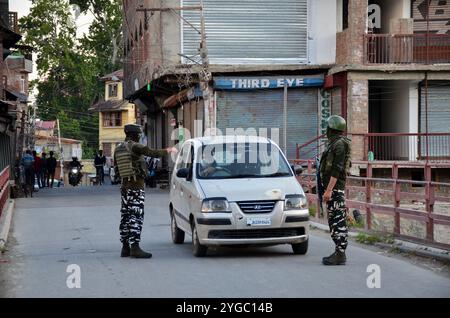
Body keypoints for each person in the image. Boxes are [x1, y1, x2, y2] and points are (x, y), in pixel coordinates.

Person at [114, 124, 177, 258]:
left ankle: (125, 247)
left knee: (125, 216)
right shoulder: (135, 146)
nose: (139, 136)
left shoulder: (118, 149)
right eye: (138, 134)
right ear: (133, 134)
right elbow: (152, 152)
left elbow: (116, 170)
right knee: (136, 216)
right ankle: (135, 248)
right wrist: (168, 150)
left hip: (124, 188)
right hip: (135, 187)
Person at [319, 115, 352, 266]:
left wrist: (329, 190)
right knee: (333, 220)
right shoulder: (334, 143)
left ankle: (340, 253)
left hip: (335, 190)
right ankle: (338, 252)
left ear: (331, 129)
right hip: (332, 189)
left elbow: (337, 169)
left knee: (338, 220)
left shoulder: (340, 145)